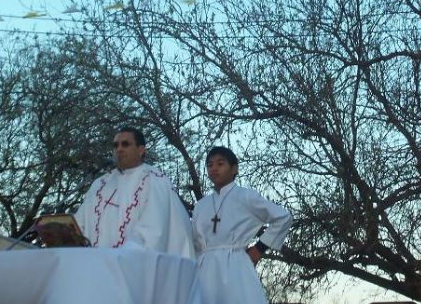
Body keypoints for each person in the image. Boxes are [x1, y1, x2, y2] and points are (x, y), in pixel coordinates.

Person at [73, 126, 195, 259]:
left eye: (125, 144)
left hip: (134, 268)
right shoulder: (100, 184)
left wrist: (123, 257)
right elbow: (80, 225)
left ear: (141, 150)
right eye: (116, 145)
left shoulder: (155, 180)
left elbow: (153, 231)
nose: (119, 149)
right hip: (96, 267)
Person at [192, 146, 292, 304]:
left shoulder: (245, 196)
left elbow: (283, 217)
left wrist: (259, 248)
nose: (214, 169)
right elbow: (194, 242)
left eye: (220, 163)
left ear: (234, 168)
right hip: (204, 269)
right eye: (210, 165)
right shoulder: (201, 205)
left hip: (235, 265)